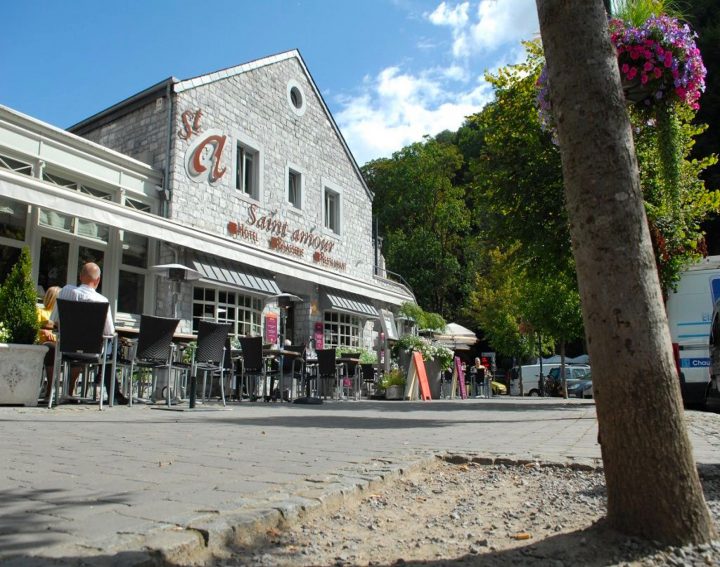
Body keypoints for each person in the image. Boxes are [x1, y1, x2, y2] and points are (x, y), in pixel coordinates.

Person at [50, 262, 127, 404]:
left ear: (80, 276)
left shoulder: (66, 291)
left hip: (66, 349)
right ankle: (109, 390)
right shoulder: (102, 301)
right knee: (112, 344)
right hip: (92, 352)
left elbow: (54, 321)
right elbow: (109, 332)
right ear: (98, 280)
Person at [38, 286, 60, 398]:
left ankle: (70, 391)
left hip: (60, 343)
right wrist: (45, 332)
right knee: (51, 349)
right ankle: (50, 388)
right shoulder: (40, 312)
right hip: (46, 344)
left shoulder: (61, 314)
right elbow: (37, 329)